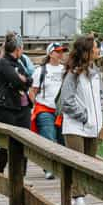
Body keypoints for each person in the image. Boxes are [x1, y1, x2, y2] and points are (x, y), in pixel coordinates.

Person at [60, 35, 103, 205]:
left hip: (93, 127)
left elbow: (100, 95)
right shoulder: (73, 74)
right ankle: (78, 201)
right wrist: (84, 116)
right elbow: (66, 101)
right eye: (95, 47)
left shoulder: (95, 73)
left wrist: (97, 117)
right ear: (86, 51)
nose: (98, 50)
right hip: (76, 127)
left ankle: (80, 200)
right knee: (77, 165)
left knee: (88, 165)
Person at [0, 35, 33, 174]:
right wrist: (22, 79)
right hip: (7, 108)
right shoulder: (3, 62)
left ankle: (21, 175)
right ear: (18, 49)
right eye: (21, 48)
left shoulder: (19, 62)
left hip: (23, 107)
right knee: (8, 142)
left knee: (25, 141)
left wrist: (23, 79)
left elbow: (29, 80)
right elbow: (16, 81)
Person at [30, 42, 68, 179]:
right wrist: (36, 105)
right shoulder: (41, 71)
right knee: (49, 138)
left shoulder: (65, 70)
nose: (61, 54)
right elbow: (33, 91)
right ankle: (49, 168)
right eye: (58, 51)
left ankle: (62, 168)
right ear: (50, 53)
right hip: (44, 109)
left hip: (62, 111)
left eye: (62, 51)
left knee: (63, 140)